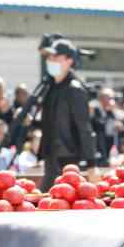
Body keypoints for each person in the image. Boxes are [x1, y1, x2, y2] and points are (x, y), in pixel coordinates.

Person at [38, 39, 98, 191]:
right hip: (51, 157)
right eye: (49, 57)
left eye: (56, 57)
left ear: (69, 61)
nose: (50, 60)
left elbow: (84, 127)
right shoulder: (51, 87)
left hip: (69, 161)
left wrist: (91, 165)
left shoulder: (75, 89)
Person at [91, 87, 124, 166]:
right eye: (103, 98)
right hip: (101, 149)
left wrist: (122, 128)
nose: (107, 101)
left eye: (109, 98)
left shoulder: (121, 114)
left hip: (118, 148)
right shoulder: (96, 113)